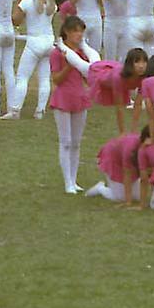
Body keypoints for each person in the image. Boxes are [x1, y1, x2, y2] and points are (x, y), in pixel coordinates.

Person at [49, 16, 96, 194]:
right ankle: (67, 181)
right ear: (66, 32)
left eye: (80, 31)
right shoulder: (57, 54)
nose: (79, 35)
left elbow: (88, 76)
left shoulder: (83, 54)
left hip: (80, 98)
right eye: (75, 31)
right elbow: (56, 79)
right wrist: (69, 65)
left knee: (76, 142)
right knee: (66, 141)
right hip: (63, 99)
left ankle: (74, 180)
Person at [3, 0, 55, 120]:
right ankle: (40, 110)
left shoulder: (26, 2)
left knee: (22, 77)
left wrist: (18, 1)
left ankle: (15, 110)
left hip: (34, 41)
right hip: (49, 40)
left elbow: (16, 20)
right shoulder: (51, 3)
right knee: (44, 77)